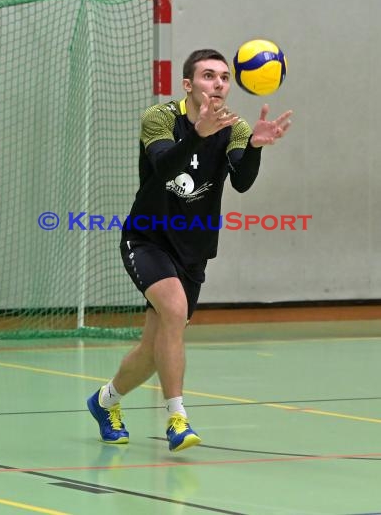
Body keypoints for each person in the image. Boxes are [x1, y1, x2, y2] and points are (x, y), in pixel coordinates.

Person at [87, 48, 292, 452]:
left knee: (153, 349)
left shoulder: (234, 127)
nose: (217, 84)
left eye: (223, 77)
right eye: (207, 76)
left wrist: (255, 148)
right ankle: (177, 419)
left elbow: (242, 182)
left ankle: (104, 401)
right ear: (188, 85)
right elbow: (164, 166)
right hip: (147, 238)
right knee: (175, 310)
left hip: (193, 249)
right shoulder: (160, 118)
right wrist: (197, 135)